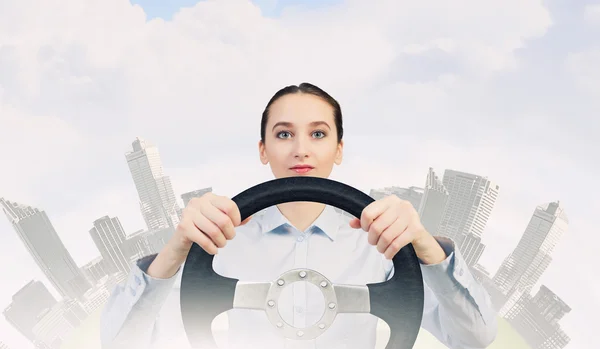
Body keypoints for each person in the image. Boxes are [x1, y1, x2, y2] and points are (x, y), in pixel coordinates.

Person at [99, 83, 498, 349]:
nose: (301, 150)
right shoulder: (221, 242)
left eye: (319, 134)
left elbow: (475, 339)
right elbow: (118, 342)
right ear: (263, 149)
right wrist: (176, 248)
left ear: (339, 150)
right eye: (284, 134)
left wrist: (425, 245)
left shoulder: (378, 244)